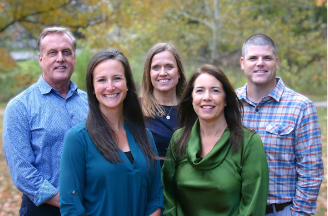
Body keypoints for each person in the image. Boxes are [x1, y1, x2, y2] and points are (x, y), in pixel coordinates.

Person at [59, 50, 163, 216]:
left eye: (117, 78)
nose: (110, 86)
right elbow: (71, 207)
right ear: (92, 87)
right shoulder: (78, 139)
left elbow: (155, 197)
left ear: (127, 83)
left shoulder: (145, 136)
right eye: (101, 80)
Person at [2, 26, 88, 215]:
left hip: (91, 205)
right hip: (42, 209)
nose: (60, 58)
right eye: (52, 53)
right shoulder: (20, 107)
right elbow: (22, 171)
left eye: (66, 52)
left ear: (74, 58)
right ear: (41, 59)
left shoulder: (91, 103)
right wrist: (67, 201)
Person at [162, 64, 269, 216]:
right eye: (200, 90)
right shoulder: (179, 139)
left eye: (215, 90)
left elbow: (252, 205)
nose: (207, 97)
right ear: (191, 99)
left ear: (226, 100)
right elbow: (168, 196)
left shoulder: (248, 142)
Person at [236, 34, 324, 216]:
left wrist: (299, 214)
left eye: (266, 58)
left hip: (281, 210)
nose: (260, 63)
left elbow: (311, 171)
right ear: (243, 63)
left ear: (276, 62)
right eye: (253, 58)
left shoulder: (300, 107)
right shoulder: (230, 104)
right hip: (236, 209)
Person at [141, 43, 187, 166]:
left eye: (169, 66)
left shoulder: (192, 108)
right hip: (151, 183)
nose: (162, 73)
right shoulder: (135, 110)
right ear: (149, 73)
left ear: (179, 72)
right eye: (156, 67)